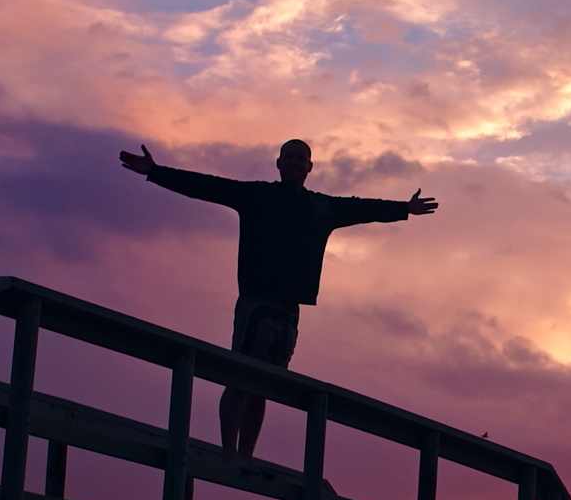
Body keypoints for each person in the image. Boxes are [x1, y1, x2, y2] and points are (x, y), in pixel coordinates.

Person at [118, 138, 438, 458]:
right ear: (279, 163)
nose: (295, 162)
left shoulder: (320, 206)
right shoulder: (259, 195)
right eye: (290, 157)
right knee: (239, 378)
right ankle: (229, 452)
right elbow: (209, 186)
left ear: (310, 167)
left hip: (290, 311)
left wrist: (403, 209)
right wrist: (156, 172)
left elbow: (359, 207)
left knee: (264, 388)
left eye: (301, 158)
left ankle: (245, 456)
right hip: (257, 302)